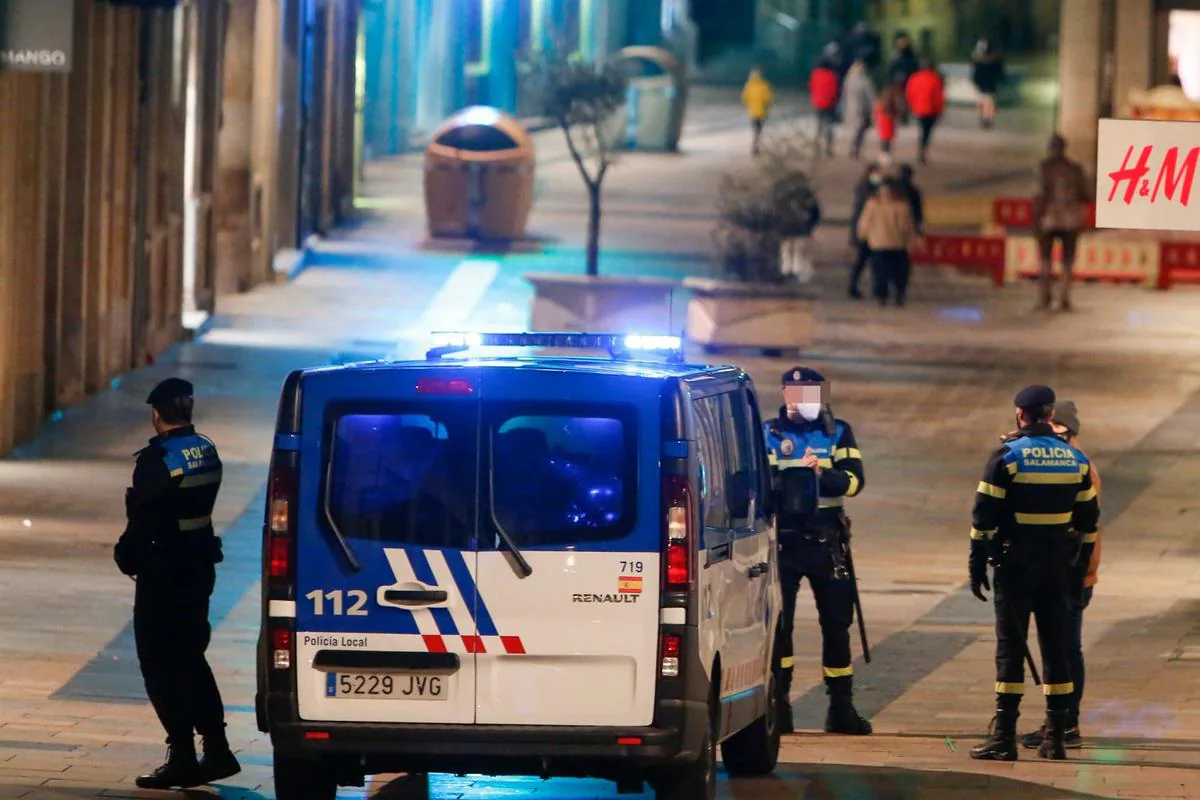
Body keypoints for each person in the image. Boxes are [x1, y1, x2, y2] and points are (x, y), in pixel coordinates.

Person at [114, 378, 240, 790]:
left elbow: (144, 518)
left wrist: (127, 557)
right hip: (198, 565)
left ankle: (183, 755)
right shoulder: (206, 448)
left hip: (164, 572)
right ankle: (217, 748)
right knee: (191, 657)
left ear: (155, 414)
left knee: (158, 663)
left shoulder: (158, 459)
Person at [967, 385, 1100, 762]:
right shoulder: (1075, 459)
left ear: (1020, 414)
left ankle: (1004, 737)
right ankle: (1055, 738)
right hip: (1057, 567)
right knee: (1056, 650)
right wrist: (1078, 569)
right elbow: (1089, 522)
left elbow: (984, 518)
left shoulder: (1008, 456)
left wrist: (977, 563)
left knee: (1011, 648)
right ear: (1048, 413)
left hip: (1015, 567)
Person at [764, 367, 871, 736]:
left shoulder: (837, 432)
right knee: (781, 626)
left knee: (838, 625)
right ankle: (779, 706)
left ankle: (841, 708)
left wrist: (822, 476)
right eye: (795, 393)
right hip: (786, 541)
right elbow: (759, 484)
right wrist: (792, 480)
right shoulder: (769, 434)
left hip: (828, 543)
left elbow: (855, 480)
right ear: (784, 394)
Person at [1019, 401, 1100, 751]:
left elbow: (1083, 527)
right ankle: (1061, 722)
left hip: (1070, 574)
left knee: (1066, 649)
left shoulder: (1076, 465)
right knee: (1062, 648)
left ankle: (1066, 724)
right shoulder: (1069, 459)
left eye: (1054, 427)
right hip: (1065, 572)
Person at [1033, 134, 1091, 311]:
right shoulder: (1075, 169)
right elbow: (1086, 195)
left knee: (1045, 260)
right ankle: (1064, 297)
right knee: (1067, 260)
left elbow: (1039, 194)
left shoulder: (1043, 168)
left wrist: (1036, 217)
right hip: (1071, 220)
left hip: (1049, 219)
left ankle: (1045, 296)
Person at [856, 176, 916, 307]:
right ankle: (899, 295)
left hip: (878, 244)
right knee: (900, 273)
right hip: (898, 244)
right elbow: (906, 226)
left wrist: (863, 236)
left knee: (880, 273)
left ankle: (882, 296)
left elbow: (864, 224)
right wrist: (910, 240)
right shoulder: (902, 205)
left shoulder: (872, 204)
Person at [848, 162, 883, 298]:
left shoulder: (875, 187)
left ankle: (876, 288)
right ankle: (854, 286)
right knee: (862, 262)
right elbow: (858, 214)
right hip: (865, 233)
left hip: (873, 232)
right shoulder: (864, 188)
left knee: (872, 263)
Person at [904, 59, 944, 165]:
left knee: (923, 129)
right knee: (927, 131)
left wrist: (911, 105)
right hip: (930, 110)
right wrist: (940, 110)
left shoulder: (914, 78)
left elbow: (909, 93)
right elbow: (938, 97)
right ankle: (923, 150)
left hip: (918, 108)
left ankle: (921, 149)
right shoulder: (935, 79)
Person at [841, 57, 876, 160]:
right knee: (859, 129)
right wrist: (873, 106)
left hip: (852, 108)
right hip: (861, 109)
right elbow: (870, 94)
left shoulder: (848, 79)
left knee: (858, 129)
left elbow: (844, 95)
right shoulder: (864, 80)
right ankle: (855, 148)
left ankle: (855, 148)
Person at [809, 55, 842, 157]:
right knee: (829, 126)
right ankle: (828, 148)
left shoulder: (815, 74)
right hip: (829, 104)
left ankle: (817, 146)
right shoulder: (833, 76)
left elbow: (811, 87)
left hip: (818, 103)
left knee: (819, 125)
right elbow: (836, 91)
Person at [971, 39, 1006, 129]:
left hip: (983, 85)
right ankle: (986, 118)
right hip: (990, 85)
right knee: (988, 102)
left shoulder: (978, 61)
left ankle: (984, 118)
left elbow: (975, 73)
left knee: (984, 102)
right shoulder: (995, 60)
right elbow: (999, 72)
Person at [742, 68, 774, 156]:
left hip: (752, 113)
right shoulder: (764, 85)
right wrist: (769, 107)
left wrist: (748, 106)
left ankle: (755, 146)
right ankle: (756, 147)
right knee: (759, 130)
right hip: (762, 112)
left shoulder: (748, 86)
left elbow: (744, 98)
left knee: (755, 130)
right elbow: (768, 98)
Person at [874, 79, 906, 155]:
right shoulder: (888, 100)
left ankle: (885, 152)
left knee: (885, 138)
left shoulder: (882, 101)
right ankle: (885, 153)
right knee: (886, 138)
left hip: (886, 121)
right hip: (886, 121)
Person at [897, 164, 925, 236]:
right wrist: (919, 226)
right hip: (908, 222)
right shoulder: (914, 190)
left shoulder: (892, 189)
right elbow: (918, 209)